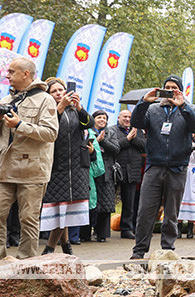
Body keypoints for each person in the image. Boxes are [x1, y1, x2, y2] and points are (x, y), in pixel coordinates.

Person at [129, 75, 195, 259]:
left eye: (174, 88)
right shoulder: (153, 109)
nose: (170, 91)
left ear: (179, 91)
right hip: (154, 166)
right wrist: (142, 103)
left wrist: (182, 106)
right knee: (145, 212)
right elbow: (135, 123)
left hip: (178, 168)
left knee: (171, 213)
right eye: (167, 87)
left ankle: (167, 250)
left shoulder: (189, 108)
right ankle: (139, 252)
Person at [0, 58, 59, 259]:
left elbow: (51, 133)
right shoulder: (5, 101)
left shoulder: (45, 99)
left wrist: (19, 124)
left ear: (26, 74)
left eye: (11, 71)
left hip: (33, 169)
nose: (7, 75)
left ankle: (26, 266)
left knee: (28, 219)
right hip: (4, 168)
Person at [40, 78, 95, 255]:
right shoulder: (48, 110)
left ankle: (62, 247)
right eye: (54, 91)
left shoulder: (74, 110)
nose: (59, 93)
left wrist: (79, 107)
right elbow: (47, 128)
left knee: (65, 209)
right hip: (56, 165)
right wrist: (60, 107)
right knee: (59, 209)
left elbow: (89, 124)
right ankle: (53, 248)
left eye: (61, 90)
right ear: (48, 94)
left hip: (77, 167)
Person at [106, 109, 145, 239]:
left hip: (132, 171)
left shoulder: (137, 130)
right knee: (109, 200)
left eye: (129, 117)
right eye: (124, 117)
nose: (127, 119)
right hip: (116, 170)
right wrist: (128, 139)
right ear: (118, 118)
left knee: (129, 203)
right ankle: (102, 230)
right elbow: (113, 146)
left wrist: (133, 139)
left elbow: (144, 146)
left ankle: (127, 228)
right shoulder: (112, 130)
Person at [84, 109, 117, 243]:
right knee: (89, 204)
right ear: (94, 119)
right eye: (99, 118)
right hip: (90, 171)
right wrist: (95, 141)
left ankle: (101, 234)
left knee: (105, 204)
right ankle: (85, 233)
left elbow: (116, 149)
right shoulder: (87, 132)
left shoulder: (111, 133)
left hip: (106, 172)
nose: (102, 120)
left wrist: (102, 142)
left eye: (104, 118)